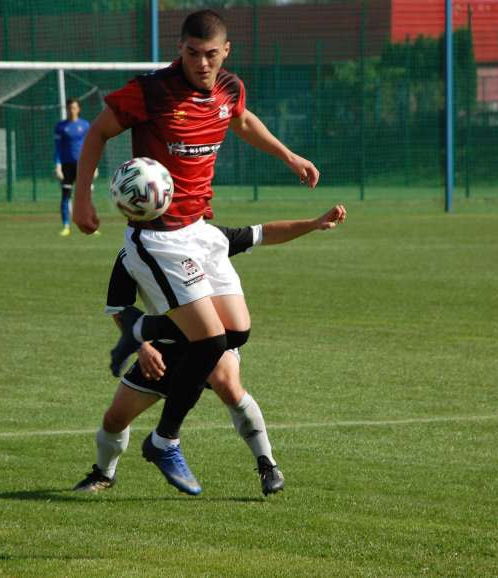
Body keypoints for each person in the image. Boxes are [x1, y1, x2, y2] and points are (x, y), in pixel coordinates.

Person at [73, 9, 319, 495]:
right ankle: (164, 440)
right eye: (192, 53)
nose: (201, 63)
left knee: (236, 332)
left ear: (225, 52)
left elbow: (242, 121)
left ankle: (140, 334)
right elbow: (99, 131)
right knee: (209, 344)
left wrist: (288, 155)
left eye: (210, 54)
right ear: (179, 49)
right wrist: (82, 195)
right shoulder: (150, 91)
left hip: (201, 229)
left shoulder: (229, 88)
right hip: (161, 234)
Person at [74, 206, 346, 496]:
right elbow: (120, 309)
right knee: (115, 419)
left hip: (212, 341)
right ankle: (103, 474)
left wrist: (314, 223)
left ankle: (267, 463)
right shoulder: (134, 254)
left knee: (227, 383)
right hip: (163, 351)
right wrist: (144, 348)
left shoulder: (208, 236)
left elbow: (263, 233)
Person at [54, 98, 90, 237]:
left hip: (82, 165)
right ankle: (66, 226)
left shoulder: (85, 125)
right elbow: (57, 148)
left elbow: (90, 146)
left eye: (74, 107)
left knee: (85, 197)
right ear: (66, 109)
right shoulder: (60, 126)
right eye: (69, 108)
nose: (72, 110)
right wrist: (57, 165)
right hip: (66, 166)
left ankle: (88, 225)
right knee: (66, 195)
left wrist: (94, 165)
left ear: (78, 109)